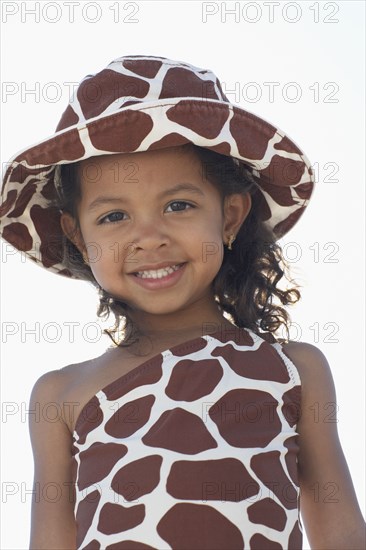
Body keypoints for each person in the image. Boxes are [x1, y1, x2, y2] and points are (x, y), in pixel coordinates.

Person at [1, 55, 364, 550]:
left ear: (231, 216)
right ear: (78, 237)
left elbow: (342, 533)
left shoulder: (295, 369)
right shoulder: (59, 394)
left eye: (179, 206)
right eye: (112, 217)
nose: (148, 238)